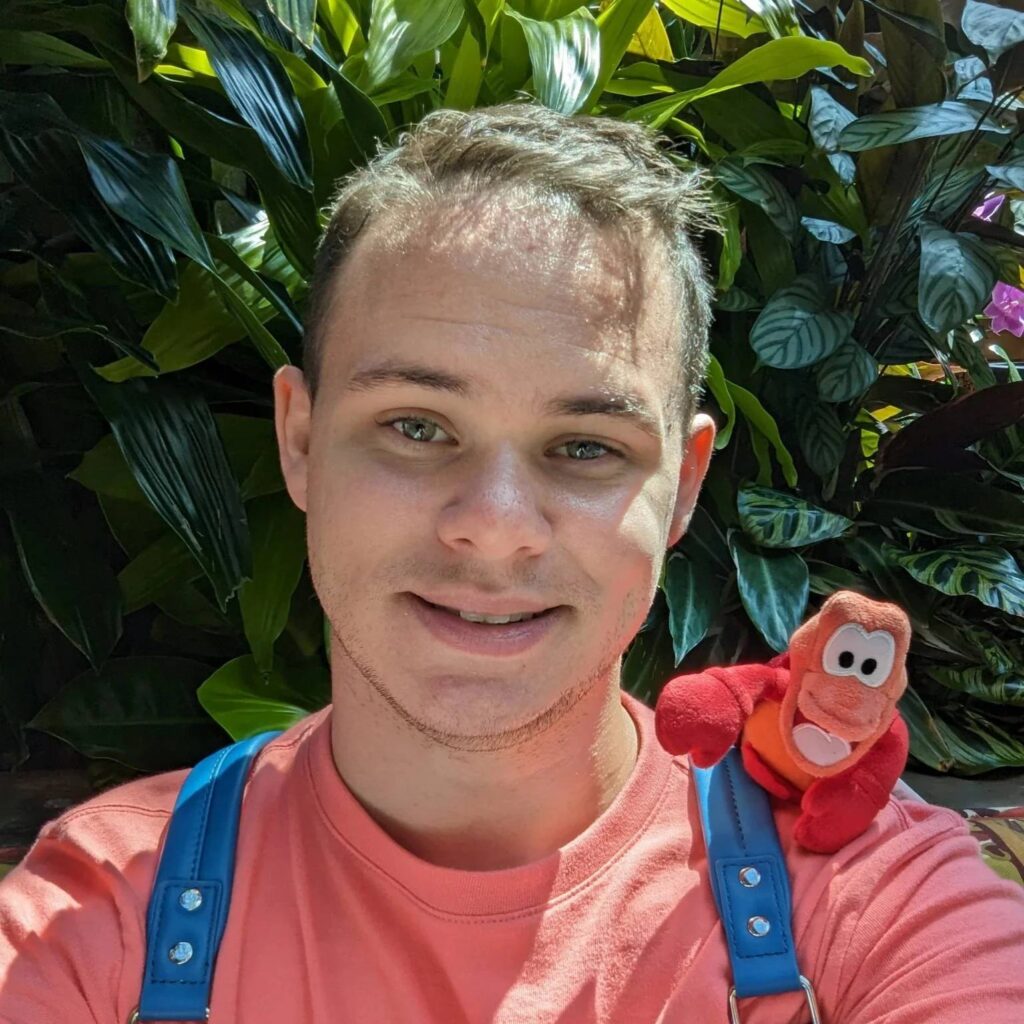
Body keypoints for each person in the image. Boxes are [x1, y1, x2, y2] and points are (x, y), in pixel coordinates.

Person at [1, 101, 1023, 1024]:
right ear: (300, 441)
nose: (493, 527)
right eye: (413, 424)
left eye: (585, 448)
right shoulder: (97, 922)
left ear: (682, 484)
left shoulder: (874, 897)